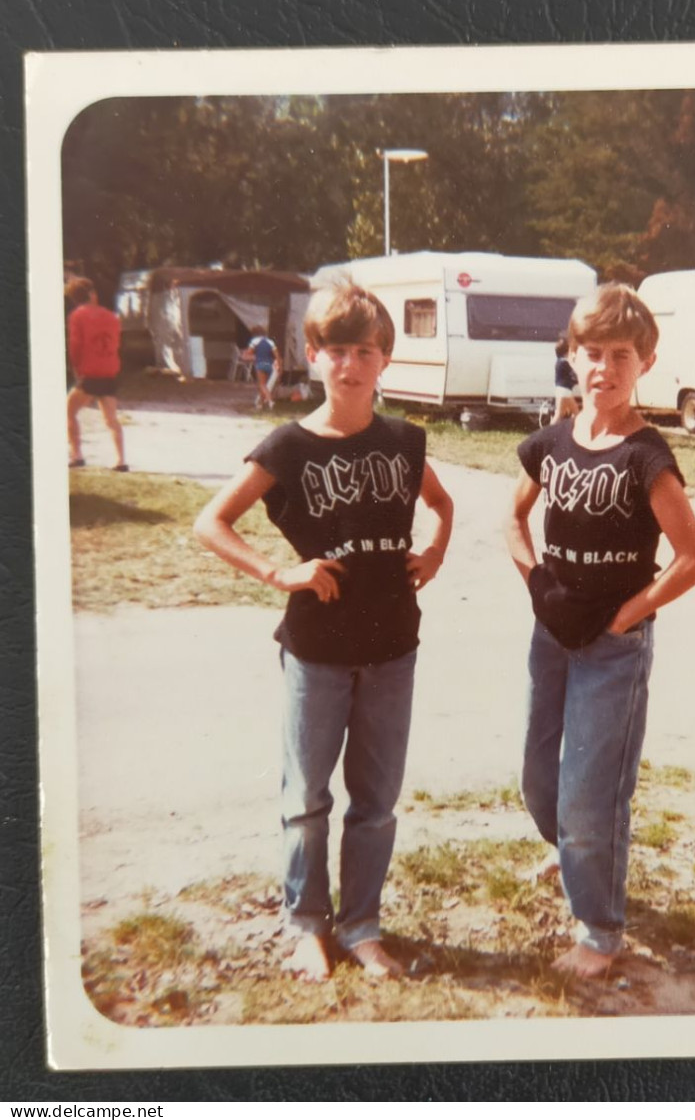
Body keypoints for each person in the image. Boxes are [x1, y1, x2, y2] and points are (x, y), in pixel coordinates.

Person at [194, 279, 454, 981]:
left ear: (383, 360)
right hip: (317, 649)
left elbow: (441, 503)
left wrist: (433, 550)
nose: (349, 364)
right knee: (306, 796)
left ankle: (362, 924)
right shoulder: (287, 445)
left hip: (394, 645)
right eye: (335, 349)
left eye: (363, 350)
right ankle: (307, 923)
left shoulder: (404, 440)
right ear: (313, 354)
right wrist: (280, 574)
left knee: (376, 800)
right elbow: (210, 521)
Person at [505, 283, 695, 979]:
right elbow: (512, 519)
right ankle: (576, 854)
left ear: (645, 362)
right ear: (572, 356)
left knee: (592, 792)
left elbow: (693, 559)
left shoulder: (647, 456)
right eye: (591, 353)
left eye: (620, 355)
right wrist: (535, 581)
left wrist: (629, 614)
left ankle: (600, 930)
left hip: (612, 650)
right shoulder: (555, 442)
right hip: (552, 637)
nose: (604, 368)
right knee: (540, 782)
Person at [66, 277, 127, 471]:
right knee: (111, 419)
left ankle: (77, 455)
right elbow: (117, 343)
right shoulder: (111, 316)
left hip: (90, 372)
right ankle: (121, 460)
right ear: (92, 294)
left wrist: (77, 368)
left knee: (69, 412)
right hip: (109, 371)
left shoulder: (78, 315)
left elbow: (75, 346)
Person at [242, 325, 281, 410]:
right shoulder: (270, 342)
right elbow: (277, 356)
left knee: (262, 385)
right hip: (269, 365)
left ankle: (270, 401)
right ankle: (260, 405)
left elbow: (249, 353)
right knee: (265, 386)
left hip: (260, 364)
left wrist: (249, 355)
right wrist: (280, 368)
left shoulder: (255, 341)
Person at [552, 334, 579, 424]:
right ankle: (549, 432)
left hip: (562, 391)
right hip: (565, 392)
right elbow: (573, 374)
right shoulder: (565, 362)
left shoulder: (559, 362)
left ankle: (568, 429)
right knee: (569, 413)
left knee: (562, 413)